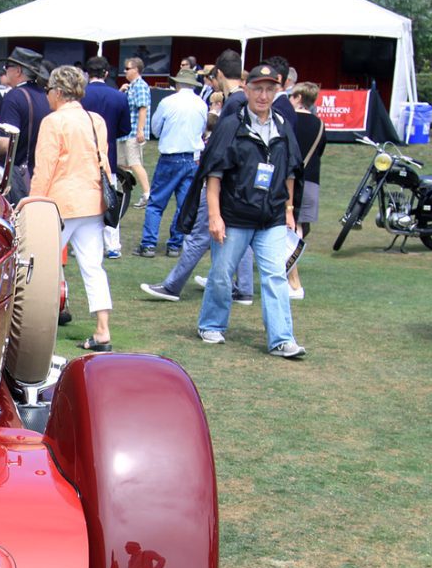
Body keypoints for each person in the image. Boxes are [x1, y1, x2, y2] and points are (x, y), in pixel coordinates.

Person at [187, 63, 306, 358]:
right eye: (257, 89)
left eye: (269, 89)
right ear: (246, 90)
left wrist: (289, 209)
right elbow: (213, 175)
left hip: (272, 217)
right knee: (222, 273)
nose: (263, 95)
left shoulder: (282, 126)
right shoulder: (231, 126)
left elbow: (290, 171)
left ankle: (281, 339)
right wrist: (215, 217)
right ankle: (212, 324)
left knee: (275, 275)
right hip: (235, 216)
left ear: (277, 91)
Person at [30, 65, 115, 353]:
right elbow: (104, 161)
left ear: (56, 92)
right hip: (92, 201)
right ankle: (103, 329)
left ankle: (37, 328)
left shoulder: (53, 122)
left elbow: (44, 169)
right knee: (93, 267)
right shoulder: (96, 120)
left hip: (61, 203)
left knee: (41, 267)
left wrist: (32, 204)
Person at [133, 68, 207, 259]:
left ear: (177, 84)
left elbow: (156, 129)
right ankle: (175, 244)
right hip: (191, 157)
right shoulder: (201, 104)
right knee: (184, 204)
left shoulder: (167, 102)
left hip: (170, 157)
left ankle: (149, 244)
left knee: (156, 203)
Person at [0, 48, 50, 197]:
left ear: (18, 71)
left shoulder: (14, 96)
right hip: (41, 175)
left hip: (18, 177)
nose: (5, 71)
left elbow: (7, 143)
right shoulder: (45, 96)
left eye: (7, 67)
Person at [80, 56, 131, 259]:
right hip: (107, 153)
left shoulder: (80, 96)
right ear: (106, 74)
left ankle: (83, 241)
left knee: (83, 200)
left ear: (87, 73)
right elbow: (125, 128)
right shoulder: (118, 97)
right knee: (110, 200)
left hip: (84, 154)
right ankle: (112, 244)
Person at [287, 81, 325, 300]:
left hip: (292, 179)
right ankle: (292, 277)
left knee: (289, 225)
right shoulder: (319, 124)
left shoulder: (290, 120)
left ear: (299, 98)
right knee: (300, 226)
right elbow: (321, 149)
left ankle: (292, 278)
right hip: (312, 179)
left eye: (292, 95)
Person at [118, 57, 151, 207]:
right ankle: (126, 190)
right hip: (126, 132)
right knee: (122, 163)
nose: (125, 71)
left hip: (133, 132)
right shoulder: (131, 86)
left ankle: (147, 194)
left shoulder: (140, 86)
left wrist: (140, 130)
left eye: (127, 68)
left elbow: (142, 108)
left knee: (135, 162)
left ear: (136, 70)